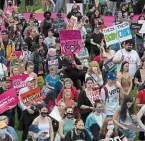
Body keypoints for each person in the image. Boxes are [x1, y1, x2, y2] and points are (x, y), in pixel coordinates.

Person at [18, 77, 39, 141]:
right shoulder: (22, 90)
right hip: (26, 112)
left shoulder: (36, 89)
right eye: (31, 82)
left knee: (35, 129)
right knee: (26, 129)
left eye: (33, 82)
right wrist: (27, 109)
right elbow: (20, 102)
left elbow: (39, 102)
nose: (32, 83)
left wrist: (35, 103)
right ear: (26, 83)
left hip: (35, 112)